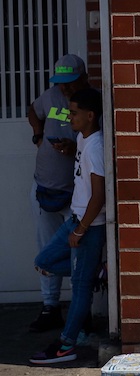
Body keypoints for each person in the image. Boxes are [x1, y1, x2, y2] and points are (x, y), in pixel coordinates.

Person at [29, 87, 106, 364]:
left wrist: (81, 229)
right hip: (75, 218)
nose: (69, 117)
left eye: (74, 113)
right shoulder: (83, 139)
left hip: (87, 225)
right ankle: (96, 272)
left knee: (79, 285)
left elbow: (100, 194)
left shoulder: (96, 146)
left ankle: (66, 345)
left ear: (90, 115)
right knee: (44, 262)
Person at [27, 54, 90, 332]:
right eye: (60, 83)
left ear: (83, 78)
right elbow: (33, 110)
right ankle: (50, 306)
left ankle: (81, 310)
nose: (64, 89)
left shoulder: (92, 101)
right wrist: (38, 135)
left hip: (76, 195)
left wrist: (74, 148)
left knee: (79, 253)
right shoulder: (50, 95)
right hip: (44, 187)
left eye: (69, 83)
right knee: (46, 251)